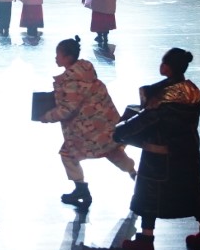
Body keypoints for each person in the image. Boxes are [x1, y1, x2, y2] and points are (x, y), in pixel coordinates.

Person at [114, 47, 200, 250]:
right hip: (187, 150)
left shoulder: (162, 98)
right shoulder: (194, 92)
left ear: (168, 68)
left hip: (159, 154)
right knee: (190, 192)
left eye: (163, 62)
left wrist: (119, 131)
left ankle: (145, 240)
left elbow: (146, 120)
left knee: (149, 196)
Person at [39, 36, 137, 207]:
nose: (56, 58)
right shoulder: (86, 71)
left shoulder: (71, 81)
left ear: (68, 57)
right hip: (105, 124)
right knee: (112, 151)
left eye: (58, 55)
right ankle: (136, 175)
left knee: (68, 154)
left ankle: (81, 189)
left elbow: (68, 109)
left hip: (86, 129)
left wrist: (46, 117)